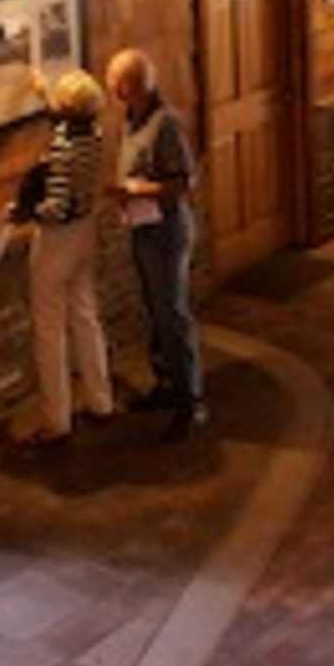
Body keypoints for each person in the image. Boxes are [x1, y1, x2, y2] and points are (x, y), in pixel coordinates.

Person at [10, 69, 116, 445]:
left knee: (50, 329)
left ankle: (56, 418)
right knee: (85, 315)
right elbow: (61, 120)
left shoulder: (62, 148)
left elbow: (55, 204)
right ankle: (100, 399)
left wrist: (26, 214)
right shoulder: (94, 135)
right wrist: (43, 90)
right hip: (86, 231)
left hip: (57, 240)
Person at [106, 48, 203, 437]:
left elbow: (183, 183)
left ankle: (190, 401)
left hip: (167, 230)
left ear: (127, 86)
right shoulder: (131, 120)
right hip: (143, 228)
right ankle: (165, 382)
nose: (110, 88)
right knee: (154, 308)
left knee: (172, 313)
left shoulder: (165, 125)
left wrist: (134, 189)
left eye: (114, 81)